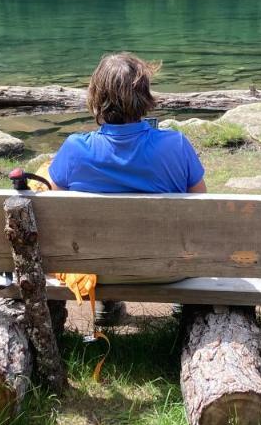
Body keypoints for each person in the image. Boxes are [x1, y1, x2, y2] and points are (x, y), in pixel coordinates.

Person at [48, 52, 206, 325]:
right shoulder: (176, 145)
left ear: (96, 97)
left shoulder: (75, 149)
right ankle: (183, 304)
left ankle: (107, 304)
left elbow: (53, 214)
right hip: (171, 269)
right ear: (145, 96)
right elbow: (202, 210)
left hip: (95, 268)